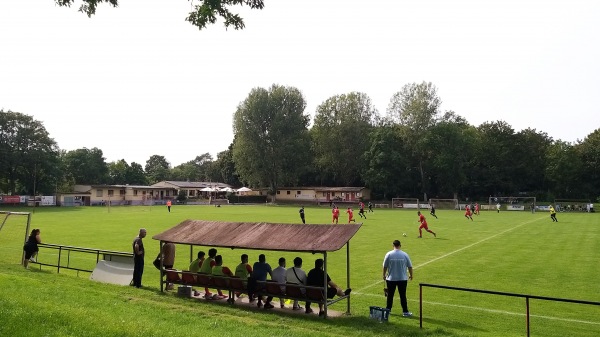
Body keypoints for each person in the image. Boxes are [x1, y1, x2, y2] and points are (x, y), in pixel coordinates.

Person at [382, 239, 413, 317]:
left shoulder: (389, 254)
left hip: (391, 279)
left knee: (390, 295)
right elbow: (410, 266)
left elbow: (385, 266)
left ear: (393, 245)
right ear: (400, 245)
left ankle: (388, 310)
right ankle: (405, 312)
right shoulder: (405, 254)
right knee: (403, 295)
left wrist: (383, 275)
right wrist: (411, 275)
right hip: (402, 278)